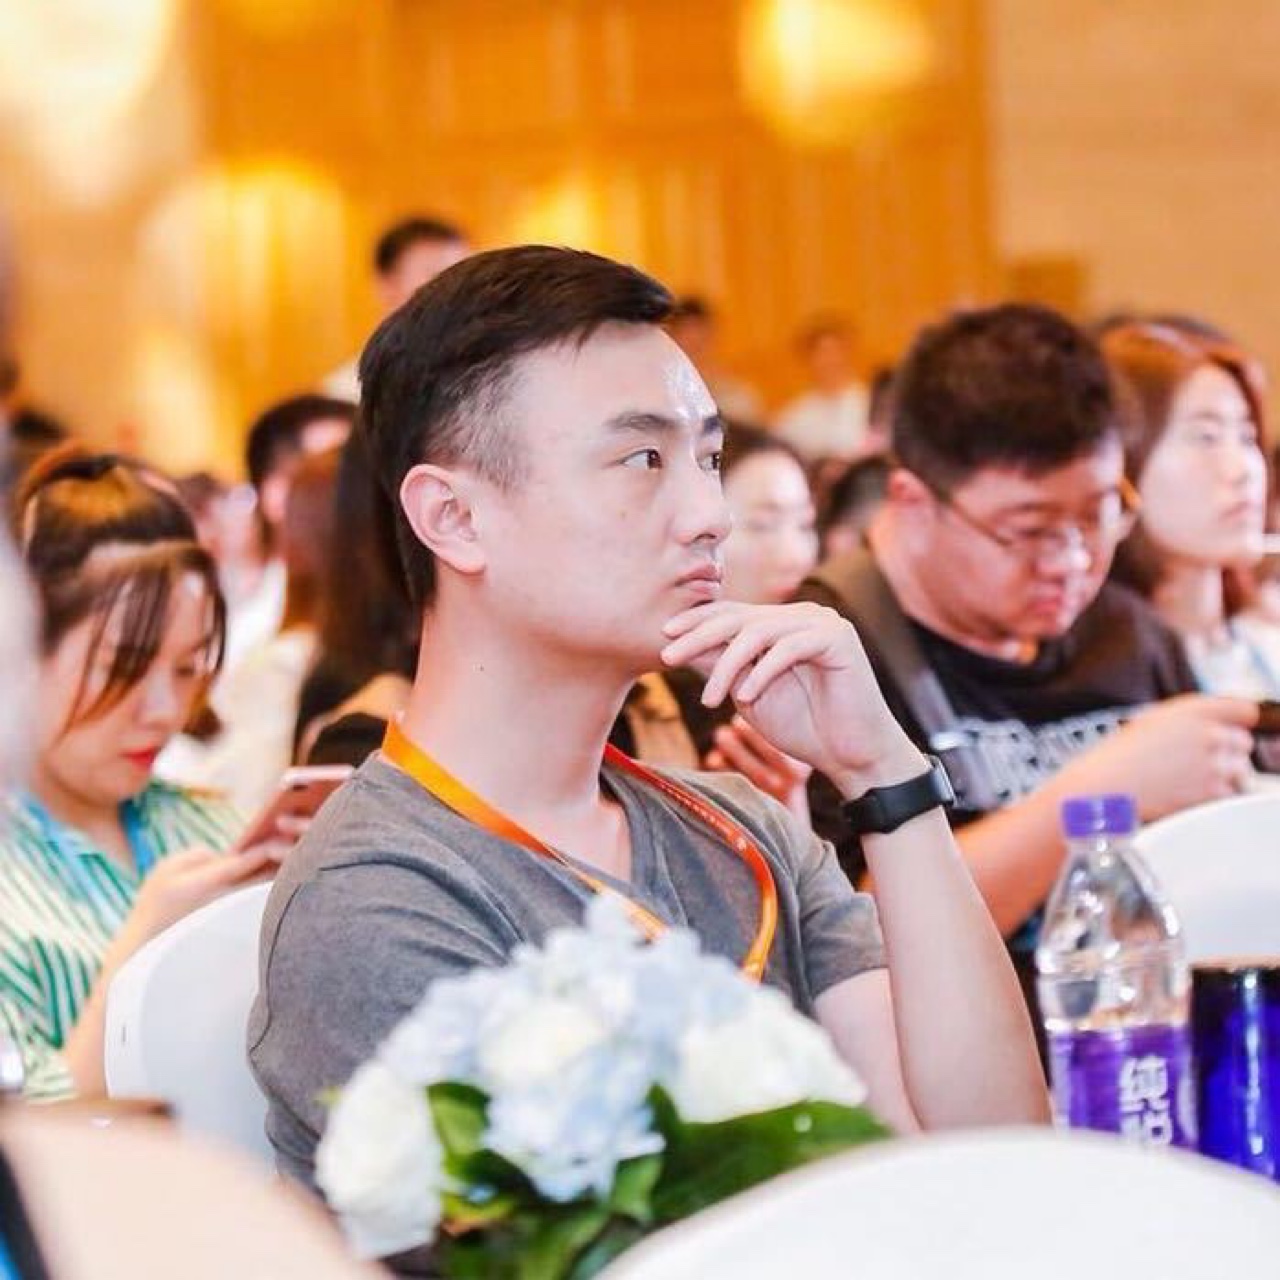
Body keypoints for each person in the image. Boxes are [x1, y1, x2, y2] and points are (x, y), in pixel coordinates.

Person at [249, 246, 1047, 1232]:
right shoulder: (381, 896)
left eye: (706, 458)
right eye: (642, 460)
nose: (710, 516)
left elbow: (993, 1155)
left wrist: (882, 773)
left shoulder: (744, 830)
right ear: (453, 518)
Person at [795, 303, 1258, 982]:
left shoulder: (1129, 629)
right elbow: (854, 947)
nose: (1071, 561)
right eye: (1029, 531)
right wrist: (1104, 789)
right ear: (914, 503)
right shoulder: (825, 658)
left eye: (1099, 515)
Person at [0, 448, 287, 1100]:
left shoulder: (213, 824)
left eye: (186, 669)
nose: (164, 711)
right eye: (124, 666)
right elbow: (35, 1138)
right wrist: (146, 948)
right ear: (23, 651)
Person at [1102, 320, 1280, 697]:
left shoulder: (1264, 641)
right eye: (1206, 438)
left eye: (1246, 436)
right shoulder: (1096, 677)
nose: (1242, 470)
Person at [322, 215, 470, 402]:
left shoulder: (482, 379)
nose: (456, 290)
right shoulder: (344, 394)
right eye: (438, 277)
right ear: (388, 286)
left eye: (464, 276)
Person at [773, 316, 870, 462]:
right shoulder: (796, 414)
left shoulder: (868, 403)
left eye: (836, 350)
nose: (830, 360)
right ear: (809, 358)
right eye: (822, 352)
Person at [667, 296, 765, 423]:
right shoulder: (660, 394)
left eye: (701, 336)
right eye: (685, 334)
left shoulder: (738, 396)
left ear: (712, 337)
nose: (694, 341)